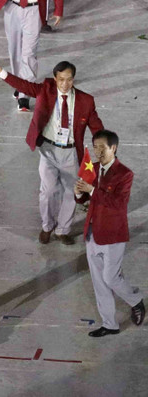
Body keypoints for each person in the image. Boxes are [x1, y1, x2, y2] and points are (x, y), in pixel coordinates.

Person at [0, 59, 104, 244]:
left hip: (71, 152)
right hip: (48, 150)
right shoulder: (45, 90)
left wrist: (105, 149)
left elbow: (97, 127)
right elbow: (22, 84)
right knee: (48, 191)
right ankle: (47, 226)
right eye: (61, 79)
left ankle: (63, 230)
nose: (65, 84)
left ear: (74, 79)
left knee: (71, 192)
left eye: (69, 79)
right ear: (55, 79)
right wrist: (0, 71)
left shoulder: (86, 101)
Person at [74, 130, 144, 337]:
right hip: (92, 234)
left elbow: (118, 203)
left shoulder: (124, 174)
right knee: (98, 281)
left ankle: (136, 300)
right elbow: (84, 199)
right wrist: (78, 193)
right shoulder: (92, 169)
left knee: (111, 277)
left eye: (101, 148)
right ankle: (109, 324)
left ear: (113, 148)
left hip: (113, 235)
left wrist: (93, 190)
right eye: (95, 147)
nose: (97, 152)